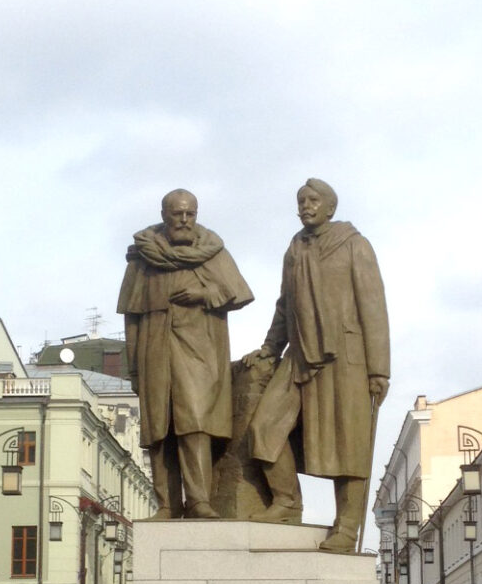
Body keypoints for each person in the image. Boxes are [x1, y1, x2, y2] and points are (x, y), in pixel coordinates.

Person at [245, 179, 390, 553]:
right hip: (299, 354)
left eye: (313, 200)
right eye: (301, 201)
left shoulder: (354, 244)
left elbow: (373, 307)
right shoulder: (295, 247)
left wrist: (379, 369)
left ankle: (346, 527)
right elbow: (284, 304)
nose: (306, 206)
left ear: (329, 208)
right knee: (264, 427)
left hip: (346, 356)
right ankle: (287, 501)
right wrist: (269, 348)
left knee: (348, 444)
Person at [117, 189, 254, 519]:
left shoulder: (211, 251)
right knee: (160, 431)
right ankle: (167, 503)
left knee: (194, 424)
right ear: (164, 214)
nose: (183, 220)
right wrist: (134, 368)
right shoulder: (143, 258)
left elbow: (240, 292)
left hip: (198, 351)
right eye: (177, 214)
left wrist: (203, 293)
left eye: (190, 214)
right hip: (154, 352)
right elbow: (131, 317)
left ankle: (198, 500)